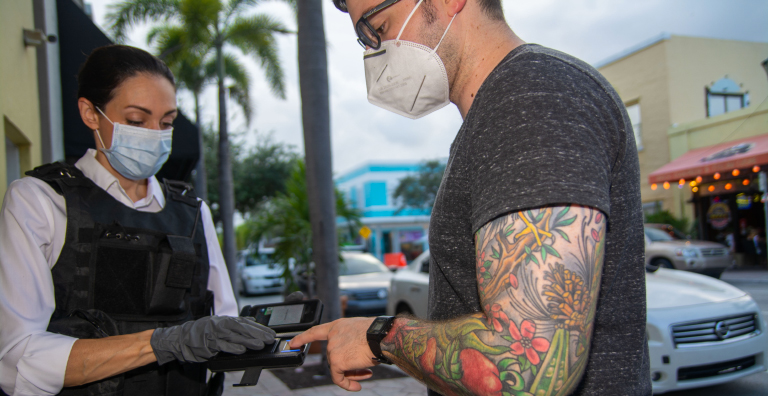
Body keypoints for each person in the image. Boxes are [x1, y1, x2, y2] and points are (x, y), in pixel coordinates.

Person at [289, 0, 650, 395]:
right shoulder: (499, 112)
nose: (376, 53)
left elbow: (526, 369)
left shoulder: (530, 98)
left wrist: (377, 336)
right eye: (365, 40)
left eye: (377, 27)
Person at [0, 45, 275, 396]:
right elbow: (17, 360)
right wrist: (162, 343)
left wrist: (258, 333)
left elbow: (220, 325)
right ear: (90, 113)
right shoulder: (41, 201)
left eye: (167, 122)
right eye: (135, 120)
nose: (155, 135)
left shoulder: (193, 212)